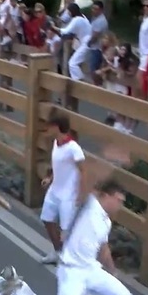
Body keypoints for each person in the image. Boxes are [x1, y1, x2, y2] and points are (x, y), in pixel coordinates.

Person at [39, 111, 85, 265]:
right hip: (54, 190)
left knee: (67, 230)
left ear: (57, 127)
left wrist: (81, 193)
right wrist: (49, 178)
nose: (48, 129)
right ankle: (57, 251)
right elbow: (57, 164)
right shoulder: (55, 143)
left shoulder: (74, 148)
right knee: (47, 219)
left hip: (68, 195)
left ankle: (71, 259)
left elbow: (84, 171)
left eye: (50, 126)